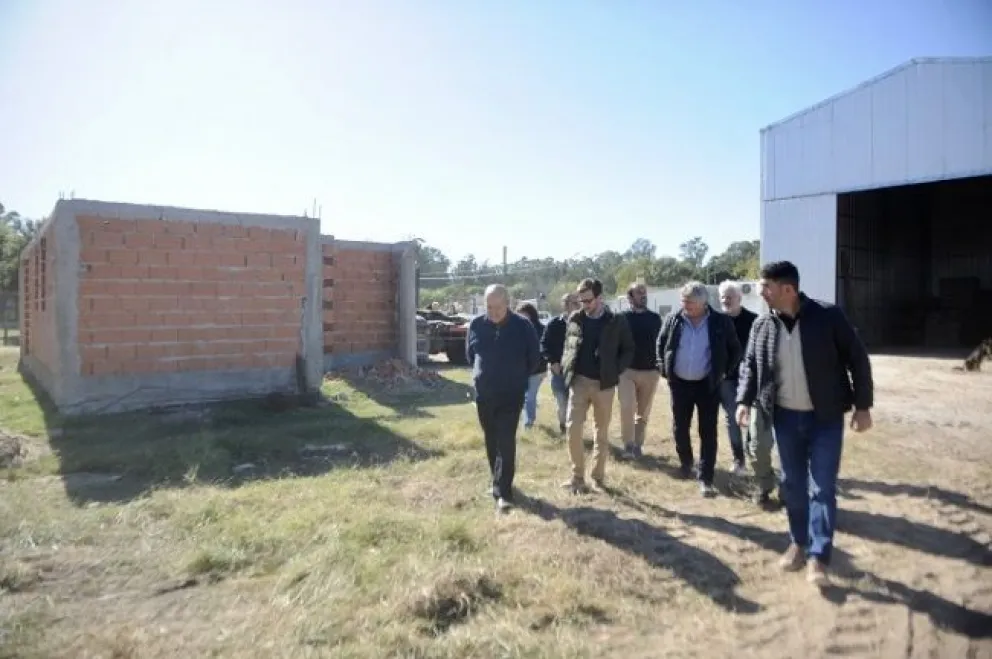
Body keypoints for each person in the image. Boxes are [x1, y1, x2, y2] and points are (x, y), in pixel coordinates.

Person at [736, 261, 874, 586]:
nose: (761, 292)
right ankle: (798, 542)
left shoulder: (828, 317)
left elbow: (858, 358)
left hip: (825, 418)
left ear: (788, 289)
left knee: (822, 488)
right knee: (793, 487)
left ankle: (819, 556)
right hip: (785, 418)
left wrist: (863, 406)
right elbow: (750, 365)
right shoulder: (762, 326)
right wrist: (743, 400)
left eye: (765, 287)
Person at [656, 281, 742, 497]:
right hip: (680, 383)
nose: (686, 305)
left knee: (708, 430)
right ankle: (686, 463)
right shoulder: (674, 320)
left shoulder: (720, 322)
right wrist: (665, 369)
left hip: (707, 384)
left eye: (690, 302)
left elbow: (735, 350)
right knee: (680, 426)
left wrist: (722, 372)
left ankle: (706, 476)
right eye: (683, 301)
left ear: (703, 303)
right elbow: (661, 344)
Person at [466, 284, 540, 513]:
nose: (494, 312)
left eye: (498, 307)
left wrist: (516, 377)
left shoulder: (522, 326)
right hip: (485, 394)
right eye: (489, 307)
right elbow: (470, 354)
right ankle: (497, 481)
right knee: (491, 439)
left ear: (507, 303)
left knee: (506, 441)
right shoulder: (477, 325)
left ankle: (504, 494)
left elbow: (534, 358)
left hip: (511, 393)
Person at [560, 278, 635, 493]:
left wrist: (615, 370)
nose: (584, 304)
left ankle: (598, 478)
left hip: (604, 385)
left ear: (600, 298)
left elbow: (628, 349)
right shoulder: (575, 318)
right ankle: (577, 478)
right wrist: (567, 368)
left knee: (601, 433)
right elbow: (569, 345)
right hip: (579, 383)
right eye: (581, 300)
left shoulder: (616, 321)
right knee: (573, 429)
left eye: (588, 300)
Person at [717, 280, 758, 477]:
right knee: (732, 417)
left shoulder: (754, 320)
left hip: (750, 377)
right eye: (723, 297)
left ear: (739, 298)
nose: (726, 300)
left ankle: (753, 452)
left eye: (730, 296)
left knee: (752, 419)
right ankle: (738, 459)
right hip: (726, 378)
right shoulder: (716, 321)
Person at [618, 283, 663, 459]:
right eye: (639, 293)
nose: (643, 296)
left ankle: (638, 444)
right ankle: (628, 445)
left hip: (650, 372)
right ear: (630, 298)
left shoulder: (655, 318)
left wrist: (661, 367)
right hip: (626, 372)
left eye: (644, 293)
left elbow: (661, 343)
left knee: (642, 413)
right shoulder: (621, 318)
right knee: (627, 407)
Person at [541, 293, 579, 435]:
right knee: (562, 403)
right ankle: (563, 426)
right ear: (565, 305)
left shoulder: (583, 323)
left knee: (575, 404)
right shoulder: (554, 324)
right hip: (559, 372)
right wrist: (552, 361)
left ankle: (573, 431)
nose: (578, 305)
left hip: (577, 372)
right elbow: (544, 344)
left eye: (578, 302)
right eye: (574, 303)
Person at [516, 302, 548, 429]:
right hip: (523, 370)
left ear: (530, 314)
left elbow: (543, 349)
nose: (521, 318)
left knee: (530, 396)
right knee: (524, 396)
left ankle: (528, 423)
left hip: (538, 369)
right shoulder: (517, 329)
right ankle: (529, 416)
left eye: (523, 315)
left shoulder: (540, 329)